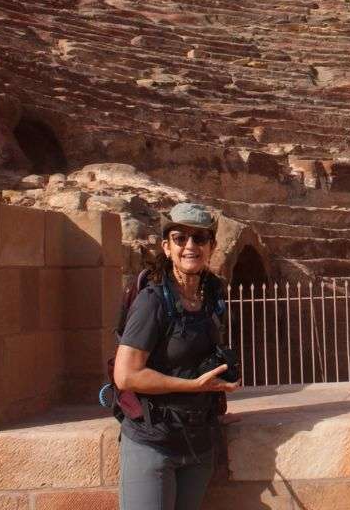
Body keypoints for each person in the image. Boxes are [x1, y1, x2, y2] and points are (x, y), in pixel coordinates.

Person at [114, 202, 241, 510]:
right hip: (153, 442)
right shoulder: (152, 302)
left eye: (199, 238)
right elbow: (126, 375)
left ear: (211, 246)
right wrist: (194, 386)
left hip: (198, 442)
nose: (190, 246)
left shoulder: (212, 296)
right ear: (166, 247)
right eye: (180, 238)